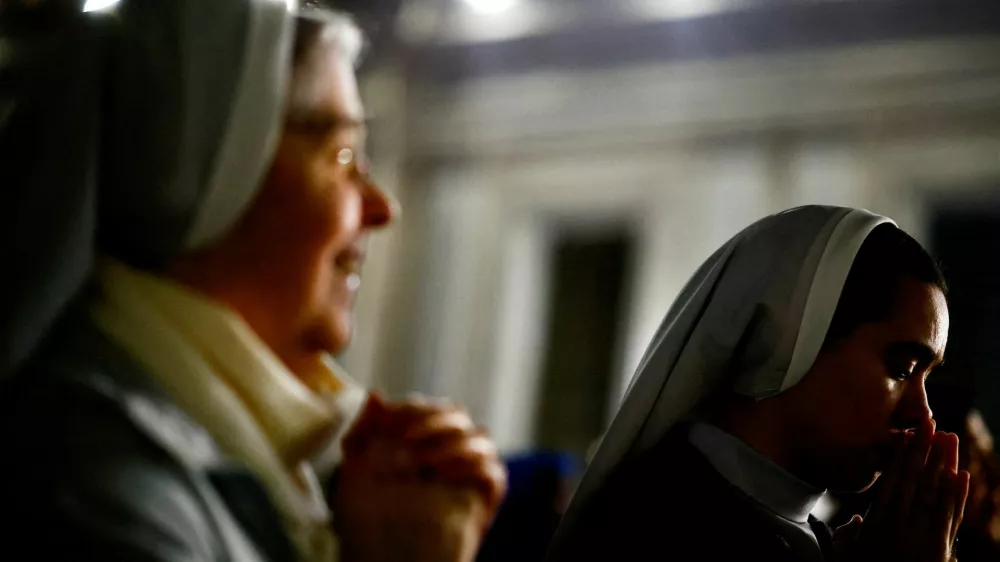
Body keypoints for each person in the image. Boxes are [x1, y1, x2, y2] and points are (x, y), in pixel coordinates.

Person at [0, 2, 505, 562]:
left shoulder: (258, 458)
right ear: (210, 169)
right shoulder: (97, 489)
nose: (382, 207)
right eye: (343, 155)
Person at [544, 205, 970, 562]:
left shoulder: (809, 535)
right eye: (901, 368)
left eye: (926, 377)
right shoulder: (657, 525)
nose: (922, 414)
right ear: (793, 341)